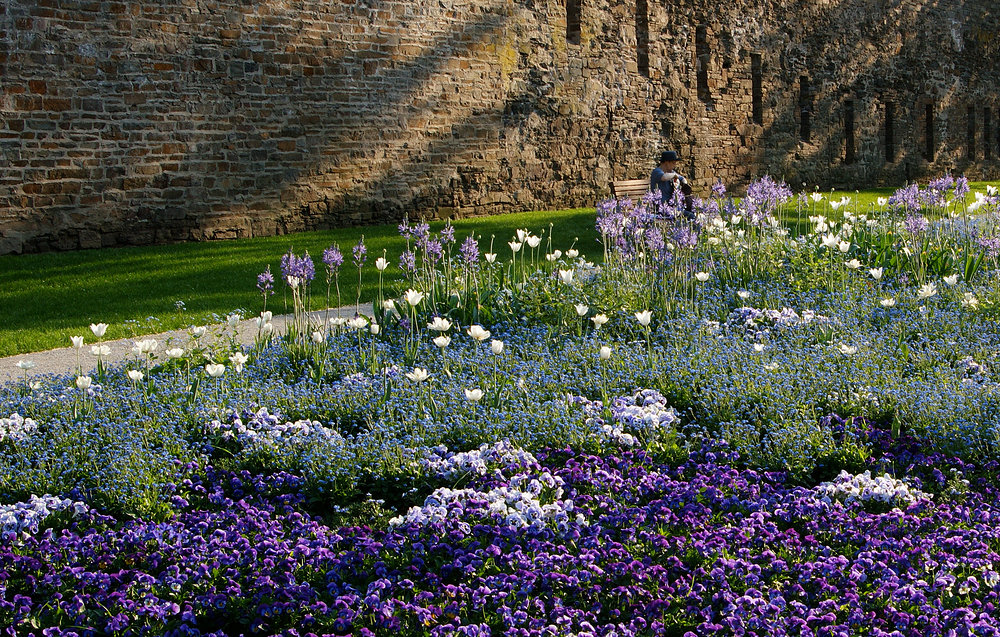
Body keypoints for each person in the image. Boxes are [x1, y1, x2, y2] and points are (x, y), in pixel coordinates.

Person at [650, 150, 694, 219]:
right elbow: (664, 177)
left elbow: (682, 178)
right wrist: (674, 175)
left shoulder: (671, 172)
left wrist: (684, 183)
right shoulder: (657, 171)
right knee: (690, 216)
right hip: (662, 208)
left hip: (673, 206)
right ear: (667, 162)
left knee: (692, 212)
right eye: (673, 163)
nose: (675, 165)